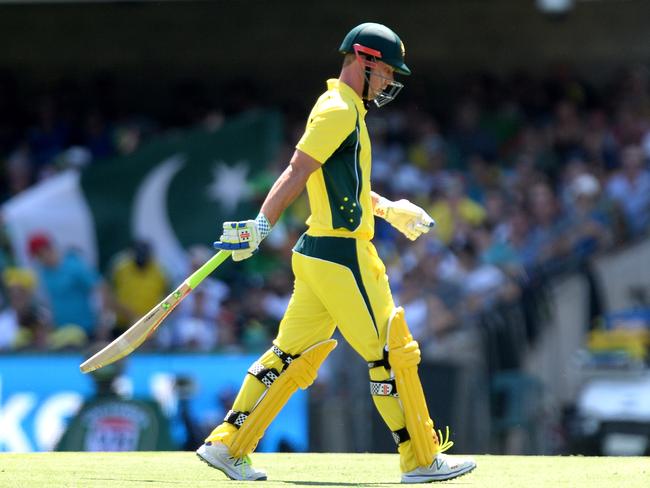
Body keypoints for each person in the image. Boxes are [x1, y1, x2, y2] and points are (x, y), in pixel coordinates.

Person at [196, 23, 476, 483]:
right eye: (384, 72)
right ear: (362, 62)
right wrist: (263, 224)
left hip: (318, 254)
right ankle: (421, 458)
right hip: (343, 255)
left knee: (288, 356)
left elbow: (345, 189)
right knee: (391, 352)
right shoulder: (338, 110)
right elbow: (297, 169)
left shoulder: (345, 109)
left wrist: (389, 210)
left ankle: (228, 444)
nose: (388, 83)